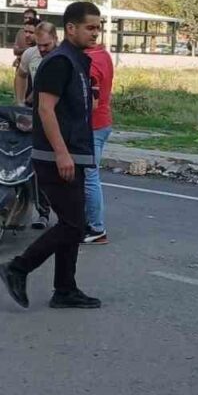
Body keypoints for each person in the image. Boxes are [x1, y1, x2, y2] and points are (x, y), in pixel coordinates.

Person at [0, 1, 104, 310]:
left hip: (76, 154)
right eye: (90, 27)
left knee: (74, 223)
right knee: (73, 225)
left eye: (98, 27)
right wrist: (61, 154)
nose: (95, 33)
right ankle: (18, 268)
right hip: (56, 156)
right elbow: (45, 108)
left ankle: (65, 289)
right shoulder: (59, 61)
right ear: (71, 28)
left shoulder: (77, 60)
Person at [17, 21, 59, 229]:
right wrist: (19, 101)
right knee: (33, 163)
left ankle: (49, 212)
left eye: (47, 46)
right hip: (36, 115)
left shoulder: (61, 59)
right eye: (39, 45)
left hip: (56, 119)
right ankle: (29, 208)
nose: (42, 50)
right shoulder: (30, 55)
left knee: (51, 169)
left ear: (55, 40)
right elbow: (21, 75)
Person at [83, 41, 114, 244]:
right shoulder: (103, 54)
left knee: (89, 176)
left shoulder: (91, 62)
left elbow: (91, 102)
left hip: (92, 126)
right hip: (103, 123)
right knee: (88, 175)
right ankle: (89, 223)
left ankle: (96, 228)